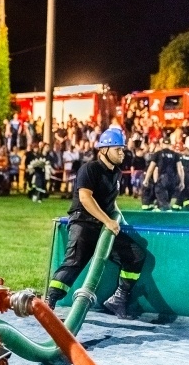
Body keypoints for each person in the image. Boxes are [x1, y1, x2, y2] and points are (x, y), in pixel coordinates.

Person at [45, 127, 146, 320]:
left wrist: (119, 221)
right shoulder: (89, 169)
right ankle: (49, 302)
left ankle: (119, 299)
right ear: (104, 150)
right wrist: (108, 221)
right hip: (83, 222)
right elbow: (85, 198)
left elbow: (110, 202)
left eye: (122, 149)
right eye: (117, 149)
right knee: (74, 262)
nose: (121, 153)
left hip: (104, 227)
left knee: (135, 255)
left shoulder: (116, 173)